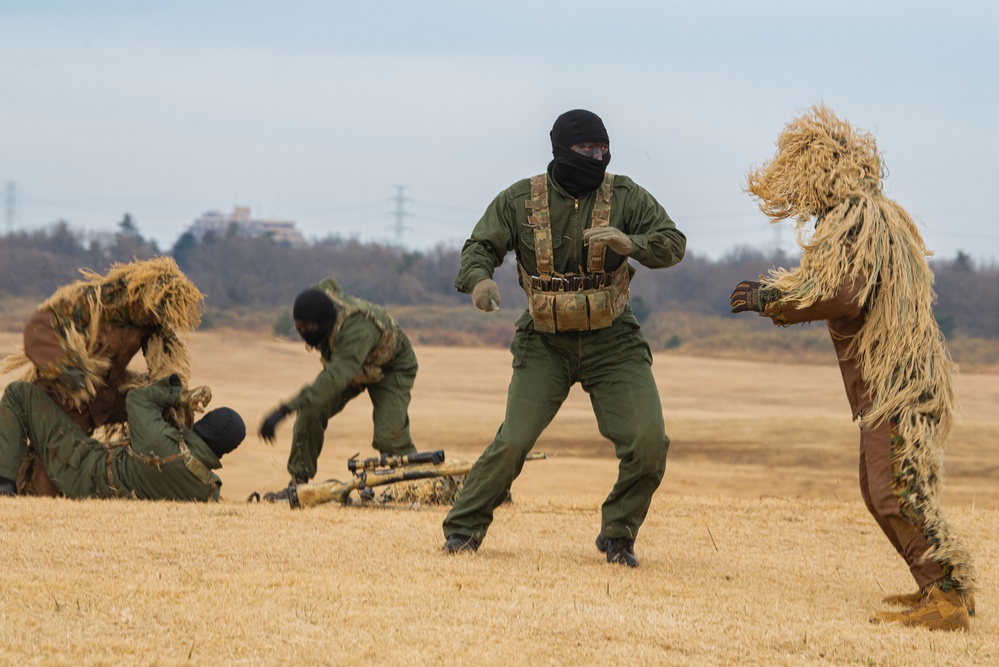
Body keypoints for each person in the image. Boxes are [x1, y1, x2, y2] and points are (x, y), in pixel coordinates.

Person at [729, 104, 975, 630]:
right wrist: (779, 296)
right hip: (893, 380)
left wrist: (773, 299)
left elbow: (846, 294)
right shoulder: (861, 217)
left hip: (896, 383)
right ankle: (939, 586)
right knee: (880, 486)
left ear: (819, 168)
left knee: (895, 488)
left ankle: (948, 597)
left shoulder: (859, 219)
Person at [440, 109, 686, 567]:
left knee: (649, 443)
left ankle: (619, 535)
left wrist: (632, 244)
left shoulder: (626, 195)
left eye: (603, 150)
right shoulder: (520, 200)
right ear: (560, 151)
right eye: (587, 150)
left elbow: (673, 242)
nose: (597, 157)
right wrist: (479, 282)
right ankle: (462, 530)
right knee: (513, 442)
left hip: (613, 341)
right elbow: (479, 248)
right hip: (544, 343)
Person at [0, 256, 204, 495]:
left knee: (173, 404)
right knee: (46, 483)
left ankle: (181, 474)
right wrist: (73, 375)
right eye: (158, 311)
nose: (159, 319)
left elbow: (168, 367)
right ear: (144, 295)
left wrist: (174, 397)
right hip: (61, 398)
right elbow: (40, 328)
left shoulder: (150, 318)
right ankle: (7, 486)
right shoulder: (95, 301)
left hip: (104, 399)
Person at [259, 278, 419, 488]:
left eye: (309, 327)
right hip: (348, 364)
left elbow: (334, 378)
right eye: (299, 327)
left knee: (389, 437)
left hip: (388, 367)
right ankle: (298, 483)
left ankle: (413, 485)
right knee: (310, 411)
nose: (304, 332)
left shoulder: (357, 328)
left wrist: (284, 409)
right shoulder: (316, 302)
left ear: (325, 322)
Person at [0, 374, 244, 501]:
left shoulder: (159, 440)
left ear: (204, 425)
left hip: (84, 471)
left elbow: (137, 399)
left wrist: (179, 397)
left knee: (19, 394)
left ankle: (5, 485)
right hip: (107, 495)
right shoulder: (209, 487)